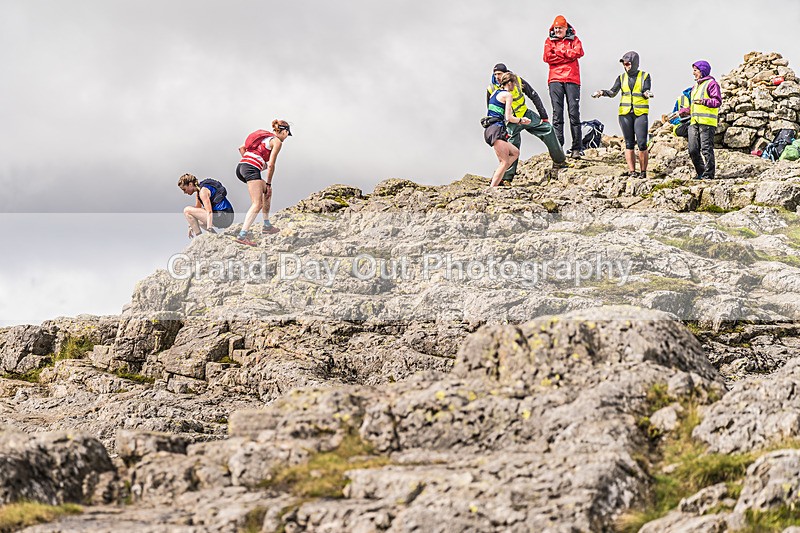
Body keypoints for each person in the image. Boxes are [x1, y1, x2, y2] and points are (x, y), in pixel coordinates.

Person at [487, 63, 568, 181]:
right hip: (510, 122)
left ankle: (559, 161)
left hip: (525, 114)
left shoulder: (517, 80)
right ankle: (506, 179)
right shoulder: (492, 89)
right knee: (512, 147)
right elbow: (490, 109)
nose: (497, 76)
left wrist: (543, 116)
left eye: (499, 74)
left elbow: (533, 95)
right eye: (495, 74)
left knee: (547, 129)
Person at [592, 51, 653, 178]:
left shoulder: (645, 76)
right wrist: (602, 92)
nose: (626, 66)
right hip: (624, 114)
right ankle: (632, 171)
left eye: (628, 64)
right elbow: (613, 92)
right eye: (624, 64)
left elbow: (646, 90)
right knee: (629, 143)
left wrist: (647, 93)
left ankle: (643, 172)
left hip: (640, 113)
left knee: (642, 143)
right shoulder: (621, 78)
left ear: (635, 63)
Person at [234, 120, 292, 246]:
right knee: (257, 203)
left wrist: (251, 162)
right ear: (285, 131)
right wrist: (269, 182)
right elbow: (271, 165)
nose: (286, 137)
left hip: (241, 167)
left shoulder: (264, 137)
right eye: (287, 134)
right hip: (250, 168)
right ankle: (242, 235)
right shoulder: (277, 141)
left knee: (267, 192)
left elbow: (241, 148)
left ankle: (267, 226)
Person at [543, 15, 585, 158]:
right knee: (557, 113)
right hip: (555, 79)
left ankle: (577, 148)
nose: (557, 30)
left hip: (572, 79)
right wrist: (568, 56)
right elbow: (547, 57)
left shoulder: (574, 39)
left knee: (574, 112)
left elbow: (579, 52)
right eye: (555, 28)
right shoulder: (549, 41)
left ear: (565, 28)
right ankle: (558, 147)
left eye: (560, 28)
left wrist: (559, 53)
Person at [484, 72, 531, 187]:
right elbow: (508, 117)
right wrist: (521, 120)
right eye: (514, 83)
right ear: (509, 83)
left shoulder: (495, 92)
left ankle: (498, 175)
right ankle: (492, 189)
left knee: (515, 152)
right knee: (504, 162)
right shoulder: (507, 95)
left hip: (491, 129)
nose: (515, 86)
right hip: (496, 129)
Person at [679, 61, 722, 180]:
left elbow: (717, 101)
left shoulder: (712, 84)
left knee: (706, 149)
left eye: (695, 70)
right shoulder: (695, 86)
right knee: (692, 149)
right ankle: (701, 172)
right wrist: (685, 111)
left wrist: (704, 101)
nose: (693, 73)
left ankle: (708, 174)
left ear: (702, 71)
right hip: (694, 122)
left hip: (707, 122)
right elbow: (695, 105)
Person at [178, 174, 235, 239]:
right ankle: (215, 237)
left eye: (184, 189)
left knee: (186, 210)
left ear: (190, 184)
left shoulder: (203, 192)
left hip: (223, 217)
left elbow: (209, 211)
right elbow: (197, 211)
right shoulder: (200, 191)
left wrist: (209, 229)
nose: (184, 192)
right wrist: (191, 226)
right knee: (198, 220)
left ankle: (199, 239)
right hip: (228, 216)